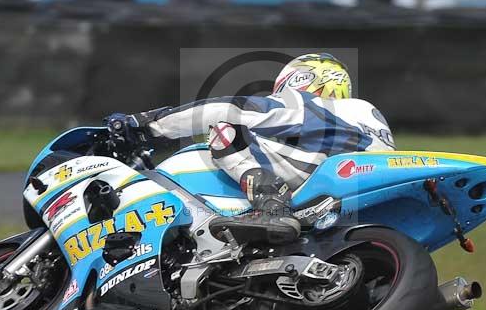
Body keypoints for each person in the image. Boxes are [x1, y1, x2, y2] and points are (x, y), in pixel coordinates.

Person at [106, 53, 395, 245]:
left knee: (225, 126)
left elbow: (228, 108)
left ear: (299, 80)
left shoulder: (308, 105)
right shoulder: (365, 113)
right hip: (360, 193)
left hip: (326, 177)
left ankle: (270, 206)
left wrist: (146, 124)